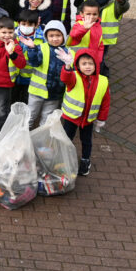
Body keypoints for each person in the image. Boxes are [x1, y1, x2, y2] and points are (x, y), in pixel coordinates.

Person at [58, 47, 110, 176]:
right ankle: (63, 159)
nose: (87, 66)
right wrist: (68, 66)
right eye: (84, 64)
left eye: (91, 63)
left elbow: (105, 102)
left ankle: (85, 160)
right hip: (71, 118)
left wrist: (101, 119)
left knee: (86, 141)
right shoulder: (74, 77)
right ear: (78, 65)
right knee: (66, 139)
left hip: (88, 120)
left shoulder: (103, 81)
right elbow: (65, 78)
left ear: (96, 65)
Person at [21, 20, 68, 129]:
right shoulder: (41, 48)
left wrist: (69, 63)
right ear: (46, 36)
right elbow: (34, 63)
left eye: (58, 35)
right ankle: (22, 140)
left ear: (63, 36)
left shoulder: (68, 53)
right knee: (30, 117)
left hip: (55, 94)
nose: (55, 38)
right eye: (51, 36)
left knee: (47, 121)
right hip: (37, 91)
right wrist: (32, 49)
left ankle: (41, 142)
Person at [12, 9, 44, 103]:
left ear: (36, 25)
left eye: (30, 25)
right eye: (23, 24)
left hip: (31, 77)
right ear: (18, 23)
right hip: (14, 76)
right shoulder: (12, 35)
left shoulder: (41, 38)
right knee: (13, 100)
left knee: (26, 101)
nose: (26, 27)